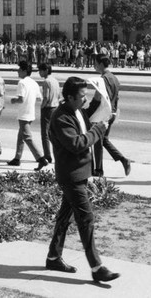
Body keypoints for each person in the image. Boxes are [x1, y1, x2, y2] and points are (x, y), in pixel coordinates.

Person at [46, 76, 120, 283]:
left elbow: (88, 116)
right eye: (81, 96)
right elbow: (77, 143)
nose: (84, 100)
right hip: (70, 176)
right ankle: (96, 267)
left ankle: (53, 256)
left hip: (79, 173)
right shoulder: (60, 118)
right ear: (69, 97)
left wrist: (103, 106)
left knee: (64, 217)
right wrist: (98, 130)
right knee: (86, 218)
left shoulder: (76, 110)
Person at [92, 54, 131, 176]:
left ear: (101, 64)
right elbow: (117, 97)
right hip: (112, 112)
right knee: (104, 140)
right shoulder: (114, 78)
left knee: (97, 141)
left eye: (95, 63)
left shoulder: (102, 79)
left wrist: (88, 111)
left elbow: (97, 99)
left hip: (103, 114)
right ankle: (123, 160)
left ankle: (98, 170)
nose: (94, 66)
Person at [8, 61, 49, 170]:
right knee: (21, 136)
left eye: (19, 70)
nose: (18, 72)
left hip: (24, 113)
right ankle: (17, 158)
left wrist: (14, 100)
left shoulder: (22, 83)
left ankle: (40, 158)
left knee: (27, 137)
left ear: (24, 71)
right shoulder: (34, 83)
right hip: (30, 112)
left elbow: (21, 99)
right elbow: (39, 98)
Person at [38, 63, 60, 169]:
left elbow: (46, 97)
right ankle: (58, 151)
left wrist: (42, 106)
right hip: (55, 107)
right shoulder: (55, 80)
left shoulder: (46, 81)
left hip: (48, 108)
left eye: (40, 70)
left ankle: (47, 155)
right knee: (53, 133)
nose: (39, 73)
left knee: (45, 133)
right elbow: (59, 96)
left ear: (46, 70)